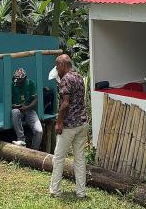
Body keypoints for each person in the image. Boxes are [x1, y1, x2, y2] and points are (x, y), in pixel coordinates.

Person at [49, 54, 89, 199]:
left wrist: (59, 122)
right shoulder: (79, 77)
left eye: (57, 65)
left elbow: (65, 103)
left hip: (69, 125)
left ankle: (55, 191)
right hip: (82, 123)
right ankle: (81, 192)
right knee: (79, 159)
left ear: (62, 65)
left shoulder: (66, 79)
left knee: (59, 158)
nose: (56, 69)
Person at [10, 67, 43, 149]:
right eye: (17, 80)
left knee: (39, 131)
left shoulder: (31, 83)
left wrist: (27, 107)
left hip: (29, 109)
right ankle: (21, 140)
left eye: (20, 81)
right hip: (18, 110)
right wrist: (14, 106)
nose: (18, 83)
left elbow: (35, 100)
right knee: (14, 112)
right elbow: (8, 101)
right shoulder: (12, 85)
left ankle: (34, 151)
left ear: (25, 78)